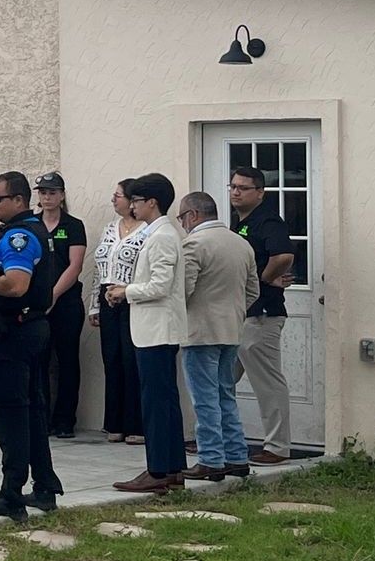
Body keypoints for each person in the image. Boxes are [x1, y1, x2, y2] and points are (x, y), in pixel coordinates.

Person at [0, 172, 63, 522]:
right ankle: (45, 486)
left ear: (19, 200)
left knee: (10, 414)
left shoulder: (20, 235)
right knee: (32, 410)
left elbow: (16, 285)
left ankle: (11, 493)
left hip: (12, 333)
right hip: (28, 329)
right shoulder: (27, 231)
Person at [107, 174, 188, 494]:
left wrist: (125, 291)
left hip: (157, 330)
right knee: (163, 401)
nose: (132, 206)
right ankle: (172, 468)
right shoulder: (156, 233)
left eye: (137, 200)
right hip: (154, 330)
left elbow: (160, 285)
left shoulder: (163, 235)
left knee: (156, 403)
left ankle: (158, 470)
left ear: (151, 203)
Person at [176, 191, 258, 482]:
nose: (182, 224)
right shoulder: (241, 243)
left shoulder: (194, 244)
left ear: (193, 215)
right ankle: (237, 456)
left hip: (200, 331)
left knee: (205, 398)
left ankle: (211, 459)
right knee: (226, 394)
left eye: (182, 217)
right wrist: (233, 312)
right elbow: (253, 291)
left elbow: (183, 290)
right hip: (231, 329)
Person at [229, 166, 297, 466]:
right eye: (233, 186)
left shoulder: (268, 220)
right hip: (239, 316)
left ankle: (278, 447)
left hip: (263, 316)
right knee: (221, 380)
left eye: (243, 188)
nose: (236, 192)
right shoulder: (237, 222)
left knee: (267, 383)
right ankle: (218, 438)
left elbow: (283, 256)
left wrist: (264, 281)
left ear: (260, 192)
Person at [92, 179, 147, 443]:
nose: (114, 200)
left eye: (118, 196)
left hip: (132, 298)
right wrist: (95, 303)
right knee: (111, 359)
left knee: (131, 360)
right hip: (107, 298)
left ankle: (136, 424)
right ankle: (114, 423)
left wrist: (127, 290)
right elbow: (98, 269)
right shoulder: (110, 229)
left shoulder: (147, 230)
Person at [34, 172, 89, 439]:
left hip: (65, 302)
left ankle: (65, 419)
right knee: (39, 361)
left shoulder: (73, 225)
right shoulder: (32, 224)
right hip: (36, 304)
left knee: (67, 361)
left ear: (62, 195)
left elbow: (75, 266)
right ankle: (41, 418)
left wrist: (52, 296)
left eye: (52, 192)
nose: (47, 197)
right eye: (43, 192)